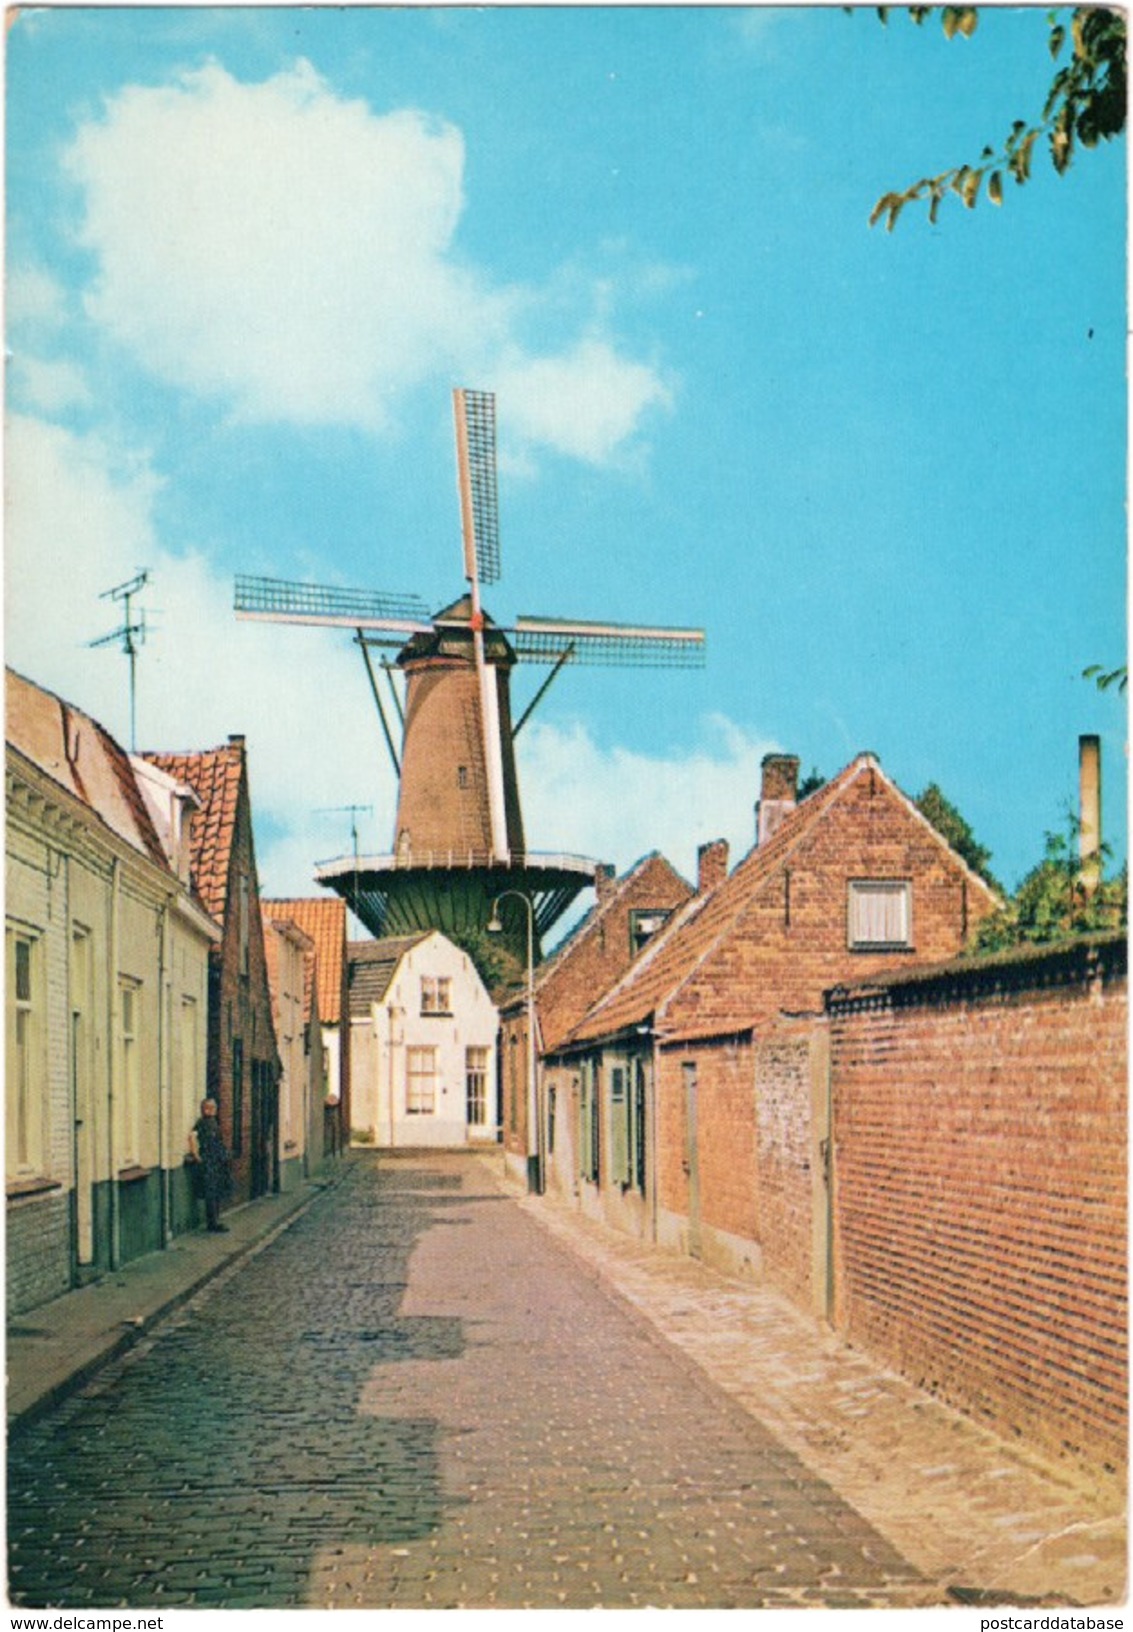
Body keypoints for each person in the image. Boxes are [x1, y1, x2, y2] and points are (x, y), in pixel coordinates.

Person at [188, 1098, 232, 1232]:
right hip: (209, 1162)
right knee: (211, 1192)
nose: (212, 1110)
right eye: (209, 1107)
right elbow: (192, 1137)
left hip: (217, 1161)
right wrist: (196, 1156)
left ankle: (215, 1221)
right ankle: (212, 1223)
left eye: (214, 1107)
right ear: (204, 1109)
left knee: (217, 1190)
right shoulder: (202, 1123)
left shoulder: (213, 1122)